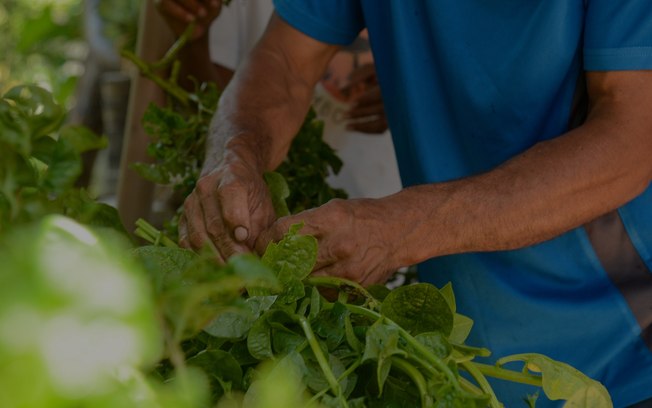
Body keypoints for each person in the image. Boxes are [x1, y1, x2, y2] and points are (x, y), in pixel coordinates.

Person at [179, 1, 652, 407]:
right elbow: (285, 59)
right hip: (457, 353)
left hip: (621, 348)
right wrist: (233, 155)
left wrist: (400, 226)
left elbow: (633, 138)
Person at [117, 0, 400, 232]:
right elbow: (212, 104)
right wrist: (237, 160)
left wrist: (411, 93)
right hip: (265, 213)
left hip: (394, 205)